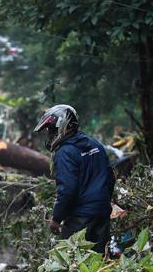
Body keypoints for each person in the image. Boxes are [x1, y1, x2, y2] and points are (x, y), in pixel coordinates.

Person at [33, 104, 114, 253]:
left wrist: (56, 219)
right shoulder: (95, 145)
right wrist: (102, 204)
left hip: (80, 219)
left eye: (51, 130)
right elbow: (110, 178)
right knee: (99, 264)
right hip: (102, 215)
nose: (50, 134)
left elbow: (67, 190)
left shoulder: (64, 152)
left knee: (71, 265)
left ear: (62, 127)